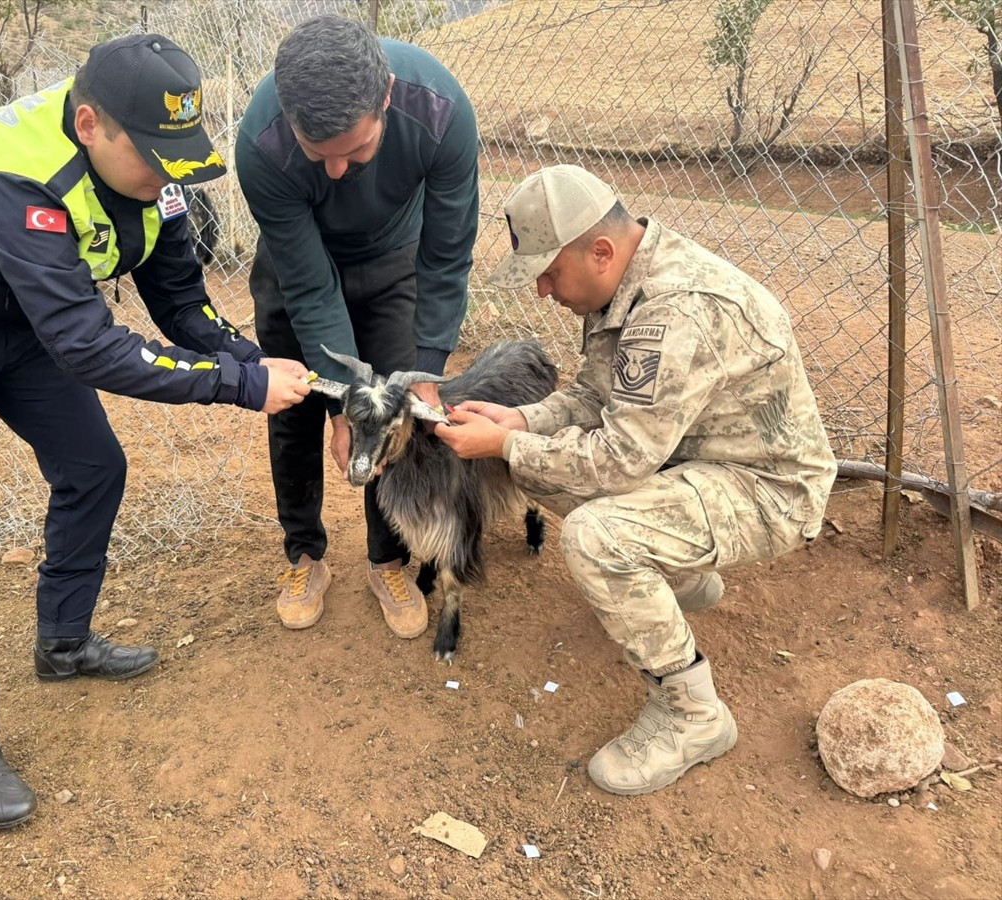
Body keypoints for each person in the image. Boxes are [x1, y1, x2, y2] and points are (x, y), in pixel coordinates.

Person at [0, 34, 311, 829]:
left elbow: (181, 304)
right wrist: (241, 387)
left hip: (18, 314)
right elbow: (88, 347)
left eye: (177, 157)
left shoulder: (156, 181)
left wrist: (250, 359)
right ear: (90, 125)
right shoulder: (10, 165)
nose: (167, 175)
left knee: (94, 466)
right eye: (152, 157)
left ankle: (63, 641)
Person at [435, 165, 836, 796]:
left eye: (549, 272)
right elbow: (597, 399)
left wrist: (506, 443)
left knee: (596, 535)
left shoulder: (675, 311)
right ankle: (679, 577)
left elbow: (619, 459)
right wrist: (522, 420)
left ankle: (692, 714)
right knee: (533, 462)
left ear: (600, 251)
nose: (541, 290)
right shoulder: (621, 283)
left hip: (767, 488)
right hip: (692, 456)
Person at [235, 16, 479, 639]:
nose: (338, 172)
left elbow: (447, 255)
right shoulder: (261, 143)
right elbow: (311, 287)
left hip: (394, 261)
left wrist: (428, 366)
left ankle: (386, 560)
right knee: (294, 408)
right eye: (319, 155)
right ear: (290, 120)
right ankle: (305, 555)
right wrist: (342, 400)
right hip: (298, 268)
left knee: (392, 414)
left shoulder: (442, 113)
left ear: (387, 97)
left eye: (357, 149)